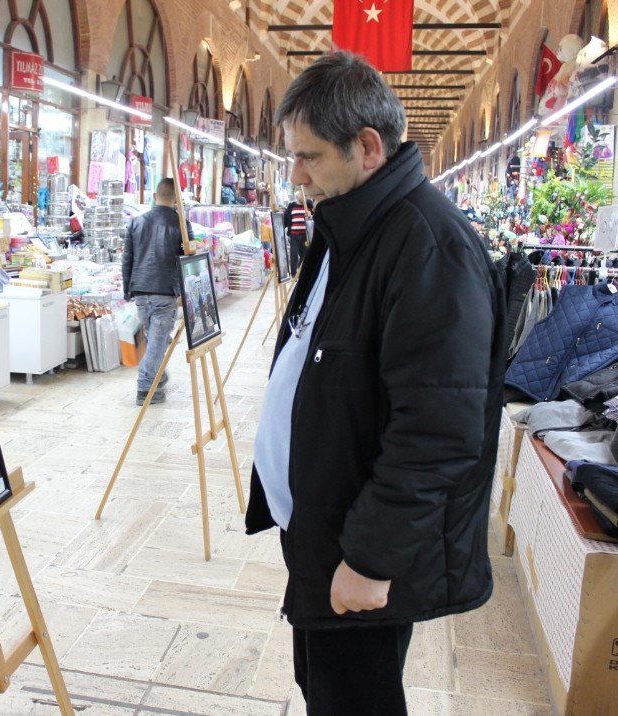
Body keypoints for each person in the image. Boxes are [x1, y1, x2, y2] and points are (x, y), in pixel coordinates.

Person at [246, 52, 506, 716]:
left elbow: (440, 431)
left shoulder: (427, 246)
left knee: (353, 701)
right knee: (324, 686)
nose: (297, 178)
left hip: (358, 543)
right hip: (324, 523)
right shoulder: (356, 225)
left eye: (309, 158)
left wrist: (370, 559)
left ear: (366, 148)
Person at [122, 178, 192, 405]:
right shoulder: (181, 224)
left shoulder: (135, 223)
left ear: (154, 196)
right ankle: (145, 388)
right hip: (165, 290)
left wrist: (127, 289)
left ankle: (159, 374)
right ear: (176, 199)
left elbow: (127, 259)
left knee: (155, 338)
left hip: (141, 289)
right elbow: (186, 259)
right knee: (157, 341)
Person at [284, 197, 309, 274]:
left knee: (304, 255)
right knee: (293, 254)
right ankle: (294, 273)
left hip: (305, 235)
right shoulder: (292, 206)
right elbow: (286, 218)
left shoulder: (308, 205)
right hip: (294, 235)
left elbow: (313, 217)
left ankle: (300, 271)